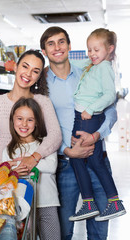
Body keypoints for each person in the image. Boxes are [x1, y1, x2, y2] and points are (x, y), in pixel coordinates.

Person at [40, 26, 118, 240]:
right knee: (64, 231)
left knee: (99, 231)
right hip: (65, 164)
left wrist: (96, 136)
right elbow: (41, 127)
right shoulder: (42, 85)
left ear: (69, 46)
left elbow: (111, 111)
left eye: (61, 41)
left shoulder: (89, 70)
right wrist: (67, 149)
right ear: (45, 51)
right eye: (51, 43)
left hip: (96, 157)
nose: (57, 47)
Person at [68, 28, 126, 222]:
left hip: (88, 117)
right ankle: (96, 203)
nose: (92, 54)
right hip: (83, 116)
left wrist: (91, 109)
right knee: (88, 160)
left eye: (96, 50)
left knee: (87, 160)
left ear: (109, 49)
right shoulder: (94, 64)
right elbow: (74, 62)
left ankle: (100, 203)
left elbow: (110, 95)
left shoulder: (104, 67)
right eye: (89, 50)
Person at [0, 50, 62, 175]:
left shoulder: (43, 102)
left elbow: (55, 135)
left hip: (36, 170)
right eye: (25, 66)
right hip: (5, 170)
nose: (28, 74)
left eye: (35, 71)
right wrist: (1, 168)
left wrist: (34, 158)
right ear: (16, 67)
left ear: (39, 77)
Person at [2, 97, 60, 240]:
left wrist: (25, 162)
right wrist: (13, 170)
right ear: (12, 120)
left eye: (30, 120)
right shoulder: (8, 150)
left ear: (37, 122)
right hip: (21, 206)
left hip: (47, 203)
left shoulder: (46, 144)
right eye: (20, 119)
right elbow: (4, 176)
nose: (24, 124)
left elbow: (51, 166)